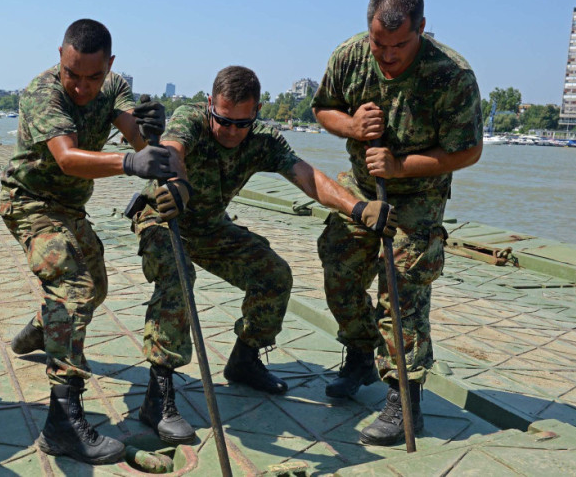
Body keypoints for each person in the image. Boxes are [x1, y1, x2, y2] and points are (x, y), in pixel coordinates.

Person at [129, 65, 397, 444]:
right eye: (224, 120)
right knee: (177, 277)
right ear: (211, 104)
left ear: (256, 112)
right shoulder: (192, 118)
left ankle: (244, 360)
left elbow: (308, 178)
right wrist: (178, 185)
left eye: (242, 123)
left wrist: (357, 208)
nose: (232, 131)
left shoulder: (262, 139)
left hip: (209, 227)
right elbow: (174, 150)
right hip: (164, 215)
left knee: (273, 276)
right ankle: (158, 397)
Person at [311, 0, 483, 446]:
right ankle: (359, 355)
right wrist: (352, 125)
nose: (387, 56)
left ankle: (404, 399)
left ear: (421, 29)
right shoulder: (349, 56)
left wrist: (400, 166)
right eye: (378, 44)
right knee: (339, 269)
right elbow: (323, 108)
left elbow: (468, 151)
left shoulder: (452, 75)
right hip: (362, 185)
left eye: (399, 45)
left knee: (401, 286)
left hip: (419, 194)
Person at [2, 19, 174, 464]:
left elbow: (135, 136)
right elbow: (67, 158)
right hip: (30, 202)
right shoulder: (43, 93)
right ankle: (62, 423)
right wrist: (131, 162)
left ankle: (43, 328)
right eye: (72, 74)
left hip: (71, 208)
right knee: (74, 290)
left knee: (95, 289)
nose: (81, 87)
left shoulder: (113, 87)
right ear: (60, 56)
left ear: (110, 66)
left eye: (92, 77)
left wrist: (150, 131)